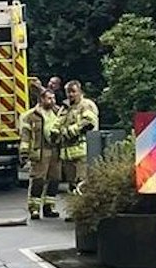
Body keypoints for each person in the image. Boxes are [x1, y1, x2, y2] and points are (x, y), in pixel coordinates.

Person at [19, 87, 61, 220]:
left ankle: (49, 207)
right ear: (41, 99)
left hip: (55, 150)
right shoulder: (30, 115)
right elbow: (25, 135)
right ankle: (34, 209)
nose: (52, 101)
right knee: (38, 180)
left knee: (54, 179)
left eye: (53, 98)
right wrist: (24, 153)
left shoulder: (59, 112)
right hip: (40, 151)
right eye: (49, 98)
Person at [58, 79, 98, 216]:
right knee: (71, 185)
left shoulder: (86, 105)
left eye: (73, 91)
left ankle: (84, 212)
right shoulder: (65, 108)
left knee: (82, 183)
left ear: (80, 91)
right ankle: (74, 211)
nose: (70, 95)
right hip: (67, 154)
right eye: (68, 92)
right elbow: (58, 125)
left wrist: (71, 131)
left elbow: (89, 123)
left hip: (83, 151)